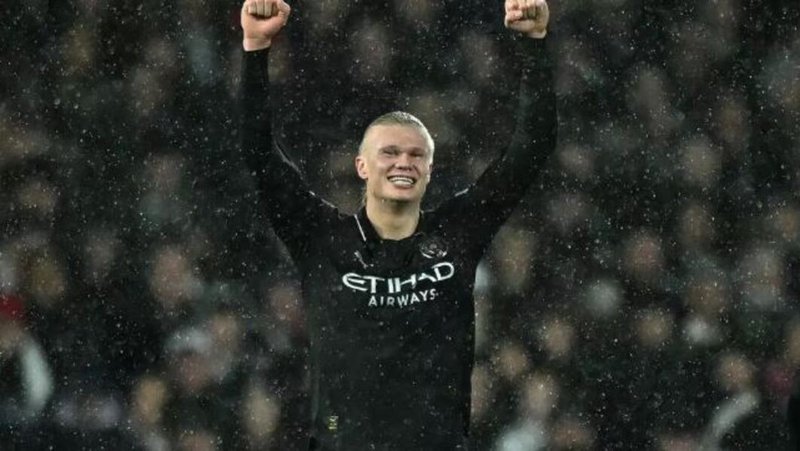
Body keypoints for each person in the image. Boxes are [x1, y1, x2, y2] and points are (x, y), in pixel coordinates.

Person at [239, 0, 556, 449]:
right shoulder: (322, 239)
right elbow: (259, 153)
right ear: (362, 166)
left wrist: (535, 44)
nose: (403, 162)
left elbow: (532, 148)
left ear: (429, 169)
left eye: (416, 154)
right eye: (389, 152)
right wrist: (255, 49)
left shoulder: (456, 234)